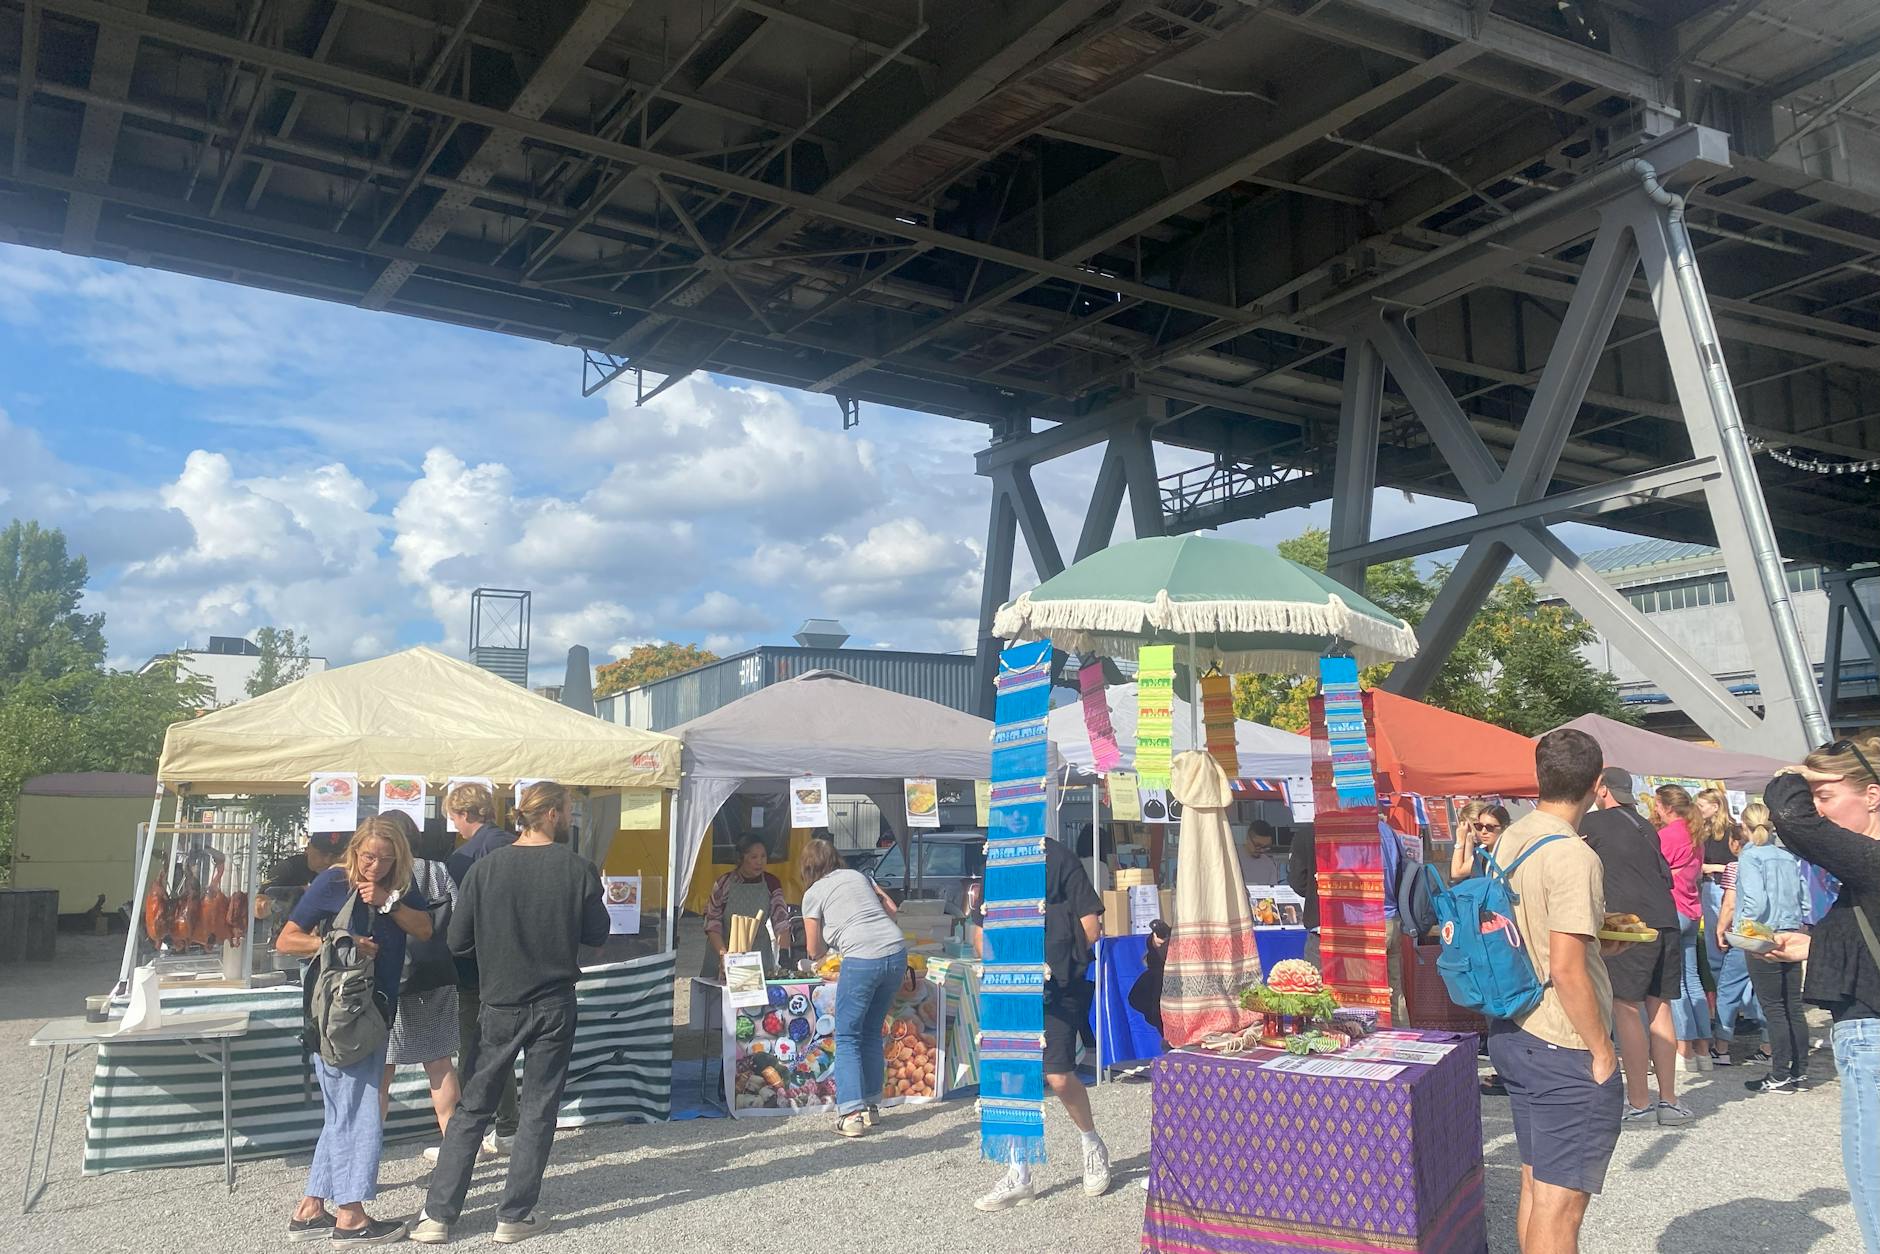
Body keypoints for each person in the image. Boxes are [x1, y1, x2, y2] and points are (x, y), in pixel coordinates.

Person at [414, 781, 608, 1245]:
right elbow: (598, 934)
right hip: (555, 1002)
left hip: (498, 1001)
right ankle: (514, 1215)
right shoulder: (578, 867)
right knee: (539, 1110)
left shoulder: (485, 868)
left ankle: (437, 1216)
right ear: (555, 815)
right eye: (567, 809)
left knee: (472, 1109)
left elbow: (458, 941)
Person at [1487, 728, 1627, 1254]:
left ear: (1539, 780)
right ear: (1597, 783)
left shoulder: (1510, 838)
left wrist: (1595, 950)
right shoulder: (1574, 856)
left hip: (1514, 1027)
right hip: (1561, 1040)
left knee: (1535, 1185)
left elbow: (1531, 933)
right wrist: (1602, 1050)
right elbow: (1567, 971)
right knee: (1560, 1208)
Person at [275, 816, 433, 1245]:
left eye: (385, 859)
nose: (374, 866)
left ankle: (311, 1209)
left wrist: (388, 901)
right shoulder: (332, 882)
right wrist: (339, 943)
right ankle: (351, 1216)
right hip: (340, 1018)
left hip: (374, 1012)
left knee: (344, 1110)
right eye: (368, 857)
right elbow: (286, 941)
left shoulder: (399, 885)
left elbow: (424, 929)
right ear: (355, 849)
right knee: (359, 1111)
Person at [1764, 734, 1880, 1252]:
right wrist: (1813, 946)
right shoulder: (1864, 871)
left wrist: (1794, 778)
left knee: (1873, 1180)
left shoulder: (1870, 860)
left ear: (1872, 796)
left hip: (1871, 1033)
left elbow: (1790, 820)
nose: (1816, 805)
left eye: (1826, 793)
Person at [976, 834, 1110, 1212]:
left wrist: (1064, 965)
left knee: (1058, 1075)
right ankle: (1019, 1173)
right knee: (1013, 1077)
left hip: (1057, 985)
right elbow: (979, 926)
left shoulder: (1061, 858)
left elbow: (1091, 925)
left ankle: (1091, 1143)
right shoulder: (996, 863)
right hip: (1010, 985)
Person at [1581, 768, 1691, 1127]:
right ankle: (1670, 1102)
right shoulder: (1645, 824)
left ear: (1602, 790)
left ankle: (1640, 1102)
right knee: (1660, 1008)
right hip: (1667, 920)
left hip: (1631, 926)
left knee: (1626, 1008)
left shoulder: (1594, 824)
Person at [796, 838, 906, 1138]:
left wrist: (819, 958)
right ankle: (871, 1107)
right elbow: (893, 910)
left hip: (861, 958)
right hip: (896, 951)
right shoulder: (860, 876)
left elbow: (813, 948)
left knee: (847, 1036)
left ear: (806, 867)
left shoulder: (813, 893)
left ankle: (851, 1113)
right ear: (836, 859)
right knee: (871, 1031)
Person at [372, 812, 462, 1164]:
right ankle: (455, 1151)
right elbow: (456, 913)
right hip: (434, 976)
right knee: (440, 1063)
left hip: (388, 980)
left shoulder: (380, 873)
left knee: (380, 1073)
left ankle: (368, 1155)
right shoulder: (437, 871)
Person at [442, 781, 518, 1158]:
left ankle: (468, 1133)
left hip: (474, 968)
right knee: (498, 1048)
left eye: (454, 817)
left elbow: (460, 921)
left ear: (467, 814)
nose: (454, 825)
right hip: (513, 963)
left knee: (474, 1049)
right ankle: (508, 1127)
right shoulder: (516, 844)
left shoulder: (463, 859)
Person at [1730, 801, 1810, 1093]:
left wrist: (1746, 930)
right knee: (1793, 1006)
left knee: (1773, 1008)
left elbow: (1755, 901)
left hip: (1763, 932)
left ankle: (1779, 1074)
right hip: (1790, 930)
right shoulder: (1787, 855)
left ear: (1746, 827)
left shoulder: (1751, 857)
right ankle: (1799, 1072)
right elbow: (1805, 900)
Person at [1652, 786, 1714, 1073]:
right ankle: (1703, 1048)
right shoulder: (1695, 834)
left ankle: (1684, 1049)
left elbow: (1652, 871)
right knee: (1693, 980)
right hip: (1692, 908)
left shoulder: (1666, 835)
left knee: (1674, 982)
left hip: (1672, 909)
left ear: (1665, 807)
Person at [704, 835, 794, 977]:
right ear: (741, 858)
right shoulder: (724, 883)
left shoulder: (772, 883)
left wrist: (784, 953)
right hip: (723, 951)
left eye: (763, 857)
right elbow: (712, 922)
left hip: (758, 955)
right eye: (754, 857)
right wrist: (724, 954)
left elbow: (781, 920)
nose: (759, 862)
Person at [1449, 801, 1511, 883]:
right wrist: (1469, 839)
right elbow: (1472, 869)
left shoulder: (1500, 849)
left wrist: (1460, 841)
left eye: (1489, 827)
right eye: (1479, 827)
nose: (1483, 831)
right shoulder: (1483, 849)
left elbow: (1457, 873)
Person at [264, 831, 349, 890]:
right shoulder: (287, 869)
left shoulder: (342, 875)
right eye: (322, 854)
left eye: (334, 857)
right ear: (308, 848)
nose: (327, 861)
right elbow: (259, 905)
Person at [1237, 820, 1284, 887]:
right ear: (1248, 838)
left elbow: (1272, 890)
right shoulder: (1233, 856)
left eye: (1265, 847)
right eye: (1257, 845)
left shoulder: (1269, 864)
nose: (1261, 850)